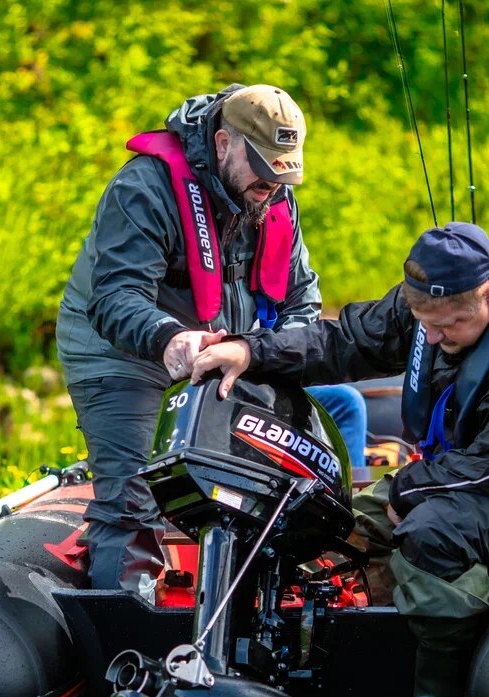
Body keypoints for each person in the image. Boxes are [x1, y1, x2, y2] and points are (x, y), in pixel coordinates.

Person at [188, 221, 489, 697]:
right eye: (425, 323)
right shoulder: (426, 311)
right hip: (458, 477)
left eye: (451, 325)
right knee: (332, 520)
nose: (435, 338)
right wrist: (251, 350)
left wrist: (408, 490)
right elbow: (343, 341)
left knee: (430, 531)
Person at [58, 83, 360, 591]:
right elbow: (113, 299)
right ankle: (126, 650)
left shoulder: (272, 193)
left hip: (229, 350)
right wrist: (172, 339)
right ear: (223, 144)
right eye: (262, 169)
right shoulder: (143, 189)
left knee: (271, 485)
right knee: (133, 502)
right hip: (125, 354)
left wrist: (269, 354)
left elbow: (301, 299)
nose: (272, 185)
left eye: (283, 172)